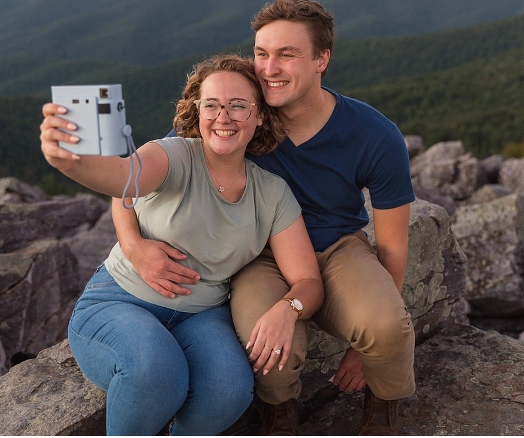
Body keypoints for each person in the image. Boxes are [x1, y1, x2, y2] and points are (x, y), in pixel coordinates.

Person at [113, 0, 416, 436]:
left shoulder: (375, 134)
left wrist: (366, 352)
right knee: (263, 338)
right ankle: (279, 412)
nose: (269, 68)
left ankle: (384, 403)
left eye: (287, 55)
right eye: (261, 53)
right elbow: (133, 177)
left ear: (322, 59)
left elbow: (391, 246)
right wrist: (132, 244)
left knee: (386, 328)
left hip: (336, 249)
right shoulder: (236, 114)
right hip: (258, 253)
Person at [40, 54, 324, 436]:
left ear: (259, 115)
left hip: (201, 316)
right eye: (212, 105)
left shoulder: (272, 194)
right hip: (121, 299)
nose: (223, 117)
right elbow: (124, 178)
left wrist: (288, 310)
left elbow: (308, 282)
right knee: (157, 372)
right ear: (198, 110)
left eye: (238, 106)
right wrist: (70, 162)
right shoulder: (173, 154)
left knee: (230, 390)